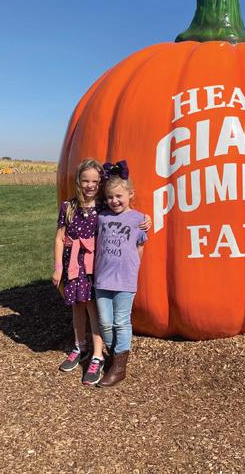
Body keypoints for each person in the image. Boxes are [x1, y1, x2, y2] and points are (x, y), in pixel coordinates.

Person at [53, 159, 151, 386]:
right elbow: (60, 236)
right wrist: (58, 267)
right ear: (78, 181)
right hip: (84, 269)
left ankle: (105, 358)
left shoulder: (106, 209)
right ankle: (87, 348)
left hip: (102, 271)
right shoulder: (78, 209)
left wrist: (146, 219)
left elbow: (132, 229)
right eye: (85, 180)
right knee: (87, 312)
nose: (90, 185)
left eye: (95, 181)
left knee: (106, 315)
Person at [93, 161, 147, 388]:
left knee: (121, 321)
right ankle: (113, 355)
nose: (114, 201)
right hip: (102, 278)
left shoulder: (139, 219)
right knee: (105, 322)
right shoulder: (102, 218)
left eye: (118, 196)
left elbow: (140, 246)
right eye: (109, 197)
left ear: (130, 194)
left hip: (125, 279)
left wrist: (134, 267)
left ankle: (119, 368)